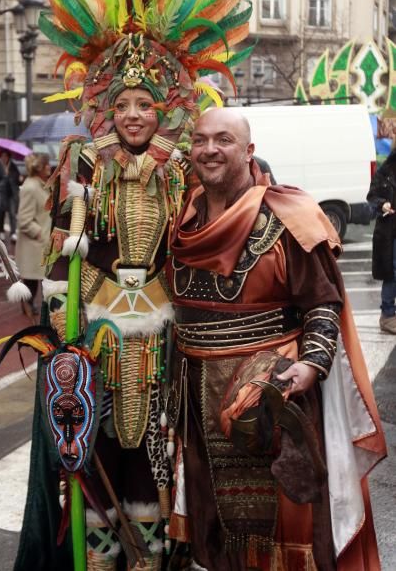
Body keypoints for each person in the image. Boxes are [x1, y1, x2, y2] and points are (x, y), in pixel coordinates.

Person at [3, 0, 254, 570]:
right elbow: (61, 245)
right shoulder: (81, 161)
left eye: (146, 104)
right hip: (98, 327)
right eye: (124, 105)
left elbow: (210, 225)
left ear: (162, 106)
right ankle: (105, 552)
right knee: (94, 441)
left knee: (160, 444)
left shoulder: (181, 165)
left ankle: (155, 552)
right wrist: (55, 311)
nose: (135, 115)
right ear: (107, 107)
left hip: (169, 323)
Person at [168, 108, 386, 570]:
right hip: (199, 403)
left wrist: (312, 366)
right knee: (216, 529)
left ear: (248, 151)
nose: (210, 149)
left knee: (291, 527)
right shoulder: (181, 219)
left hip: (276, 399)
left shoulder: (290, 215)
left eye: (223, 139)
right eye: (201, 140)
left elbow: (323, 303)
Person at [15, 153, 51, 314]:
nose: (50, 167)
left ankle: (30, 306)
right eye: (46, 165)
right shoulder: (30, 187)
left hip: (40, 242)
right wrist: (39, 234)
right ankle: (27, 306)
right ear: (39, 169)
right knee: (31, 278)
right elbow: (24, 219)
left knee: (36, 278)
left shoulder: (41, 184)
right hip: (34, 244)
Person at [367, 149, 396, 333]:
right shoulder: (385, 172)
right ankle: (387, 314)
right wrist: (382, 204)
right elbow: (372, 196)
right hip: (390, 232)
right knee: (392, 271)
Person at [0, 150, 20, 243]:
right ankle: (1, 231)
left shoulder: (13, 166)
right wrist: (4, 175)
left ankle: (13, 233)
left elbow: (17, 179)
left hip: (11, 194)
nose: (4, 158)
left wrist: (8, 175)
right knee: (1, 213)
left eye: (5, 156)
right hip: (2, 193)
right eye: (2, 156)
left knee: (12, 213)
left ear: (8, 157)